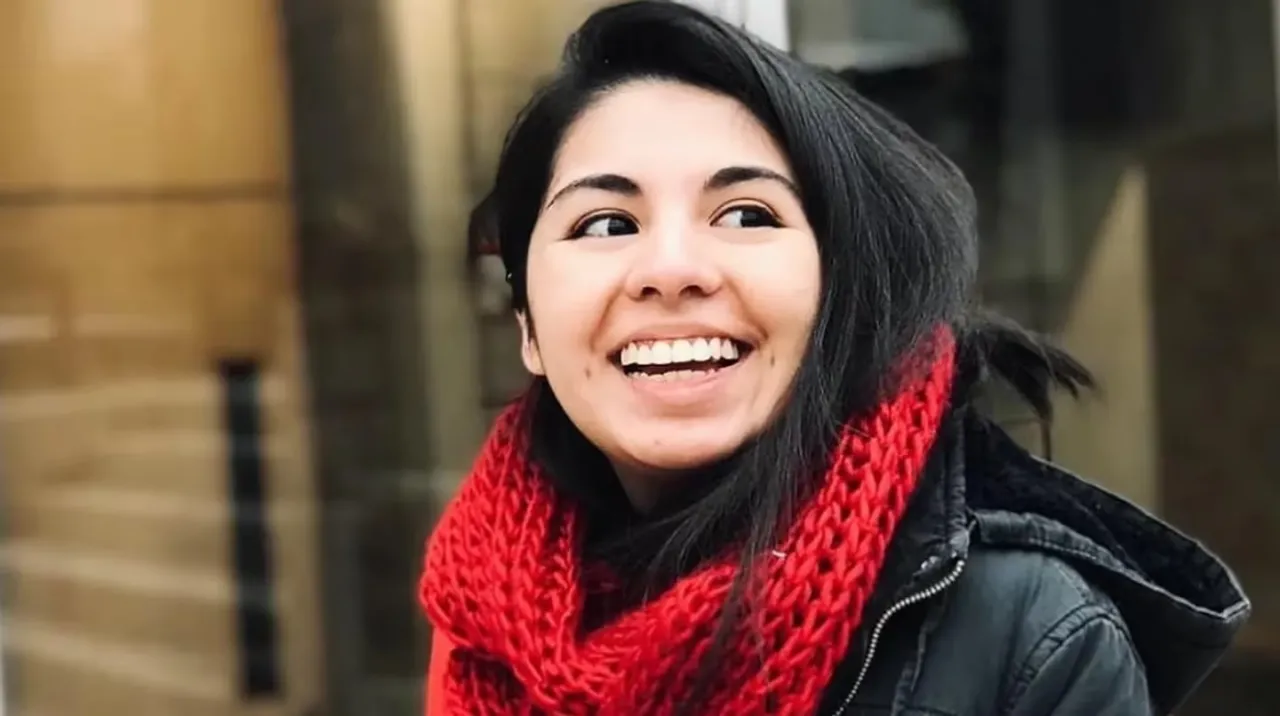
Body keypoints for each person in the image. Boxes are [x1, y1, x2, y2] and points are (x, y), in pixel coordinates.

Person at [419, 2, 1249, 714]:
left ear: (834, 295)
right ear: (528, 326)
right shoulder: (486, 615)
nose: (672, 270)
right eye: (606, 224)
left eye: (746, 214)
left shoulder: (1031, 632)